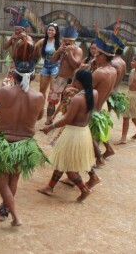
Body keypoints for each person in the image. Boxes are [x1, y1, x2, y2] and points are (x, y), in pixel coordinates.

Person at [0, 63, 49, 227]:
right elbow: (38, 116)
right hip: (25, 144)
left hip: (5, 142)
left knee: (2, 182)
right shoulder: (39, 97)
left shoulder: (4, 92)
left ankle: (15, 216)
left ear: (14, 76)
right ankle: (4, 209)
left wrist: (3, 95)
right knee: (13, 180)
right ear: (34, 77)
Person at [37, 69, 99, 201]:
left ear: (78, 81)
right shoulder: (94, 93)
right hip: (84, 131)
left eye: (75, 80)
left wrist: (50, 127)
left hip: (72, 133)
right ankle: (50, 187)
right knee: (63, 159)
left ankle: (84, 189)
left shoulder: (76, 99)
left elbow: (67, 120)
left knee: (68, 165)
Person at [90, 34, 117, 165]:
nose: (95, 56)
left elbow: (86, 91)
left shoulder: (99, 73)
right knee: (95, 133)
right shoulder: (113, 70)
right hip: (101, 106)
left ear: (104, 56)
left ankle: (99, 158)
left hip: (92, 108)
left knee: (88, 135)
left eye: (97, 54)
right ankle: (107, 149)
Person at [49, 26, 83, 121]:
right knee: (51, 100)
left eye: (68, 42)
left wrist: (70, 53)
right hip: (60, 77)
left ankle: (63, 122)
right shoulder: (61, 48)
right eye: (64, 41)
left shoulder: (78, 50)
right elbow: (52, 60)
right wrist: (59, 51)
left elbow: (76, 65)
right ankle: (49, 119)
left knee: (66, 101)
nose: (66, 44)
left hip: (71, 80)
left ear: (73, 42)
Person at [33, 23, 60, 125]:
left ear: (56, 32)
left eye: (52, 30)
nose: (50, 32)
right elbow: (35, 49)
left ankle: (49, 118)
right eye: (49, 30)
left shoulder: (58, 43)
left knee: (53, 92)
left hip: (55, 67)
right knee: (42, 91)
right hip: (45, 66)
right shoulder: (43, 41)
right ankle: (40, 111)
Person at [2, 17, 34, 86]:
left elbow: (31, 49)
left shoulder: (28, 38)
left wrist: (22, 39)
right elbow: (4, 47)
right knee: (11, 81)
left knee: (23, 82)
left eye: (18, 30)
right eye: (15, 29)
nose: (16, 31)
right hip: (14, 62)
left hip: (24, 64)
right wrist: (11, 40)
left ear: (23, 30)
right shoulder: (13, 37)